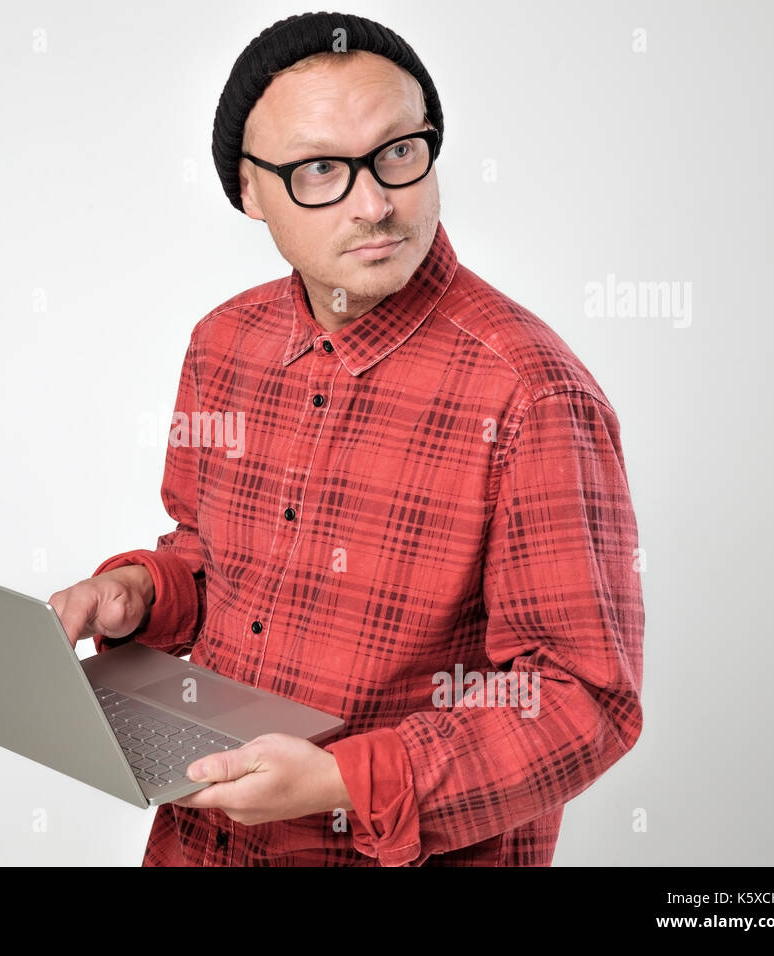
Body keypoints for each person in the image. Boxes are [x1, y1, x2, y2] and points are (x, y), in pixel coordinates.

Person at [48, 11, 644, 866]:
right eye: (321, 169)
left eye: (399, 152)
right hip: (195, 846)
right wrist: (142, 593)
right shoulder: (224, 342)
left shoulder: (532, 393)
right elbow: (211, 558)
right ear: (250, 193)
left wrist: (341, 784)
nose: (375, 204)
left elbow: (581, 702)